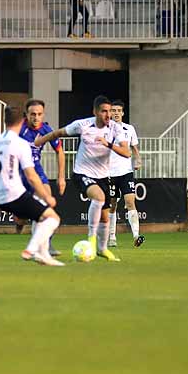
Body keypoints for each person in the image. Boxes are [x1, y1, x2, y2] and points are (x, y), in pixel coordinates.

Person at [33, 95, 131, 261]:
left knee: (105, 216)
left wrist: (108, 144)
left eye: (109, 111)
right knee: (99, 198)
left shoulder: (115, 128)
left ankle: (102, 249)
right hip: (82, 173)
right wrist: (41, 140)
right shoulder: (83, 125)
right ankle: (91, 240)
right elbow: (58, 132)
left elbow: (126, 152)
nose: (108, 115)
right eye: (104, 111)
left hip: (103, 176)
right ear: (95, 112)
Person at [0, 106, 64, 266]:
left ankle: (43, 254)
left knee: (41, 214)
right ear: (23, 120)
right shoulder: (20, 143)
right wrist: (47, 196)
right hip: (16, 195)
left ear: (5, 121)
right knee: (53, 218)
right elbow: (31, 176)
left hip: (0, 199)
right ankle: (31, 249)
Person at [17, 98, 66, 256]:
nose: (36, 117)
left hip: (36, 170)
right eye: (33, 114)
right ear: (27, 115)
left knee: (46, 201)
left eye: (39, 114)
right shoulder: (18, 129)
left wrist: (61, 177)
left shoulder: (46, 130)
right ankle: (20, 220)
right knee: (21, 217)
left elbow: (60, 151)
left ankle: (46, 244)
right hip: (19, 171)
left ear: (43, 115)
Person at [106, 100, 144, 248]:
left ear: (122, 113)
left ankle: (136, 235)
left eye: (118, 110)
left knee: (130, 202)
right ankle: (112, 237)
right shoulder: (106, 129)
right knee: (112, 205)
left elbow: (134, 148)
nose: (115, 113)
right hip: (110, 173)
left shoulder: (129, 129)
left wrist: (138, 159)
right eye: (113, 110)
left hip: (126, 172)